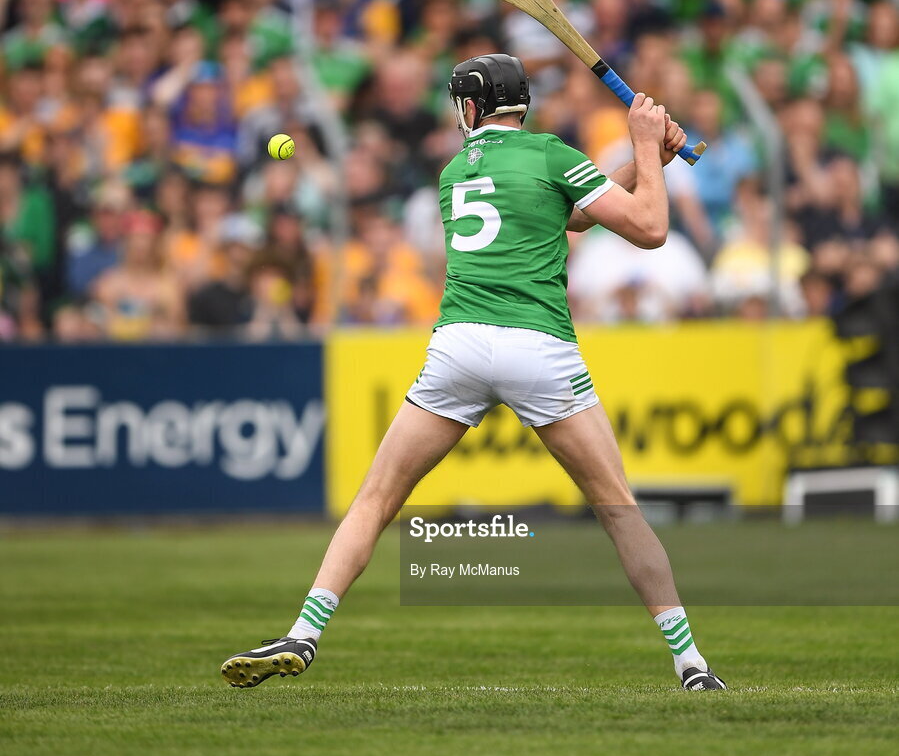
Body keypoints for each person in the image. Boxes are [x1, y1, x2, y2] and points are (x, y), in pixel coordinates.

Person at [221, 53, 727, 692]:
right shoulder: (550, 152)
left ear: (469, 108)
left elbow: (567, 212)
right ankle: (691, 664)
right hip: (538, 348)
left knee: (376, 500)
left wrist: (641, 152)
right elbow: (649, 227)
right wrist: (649, 147)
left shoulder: (454, 169)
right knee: (619, 510)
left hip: (457, 346)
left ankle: (303, 633)